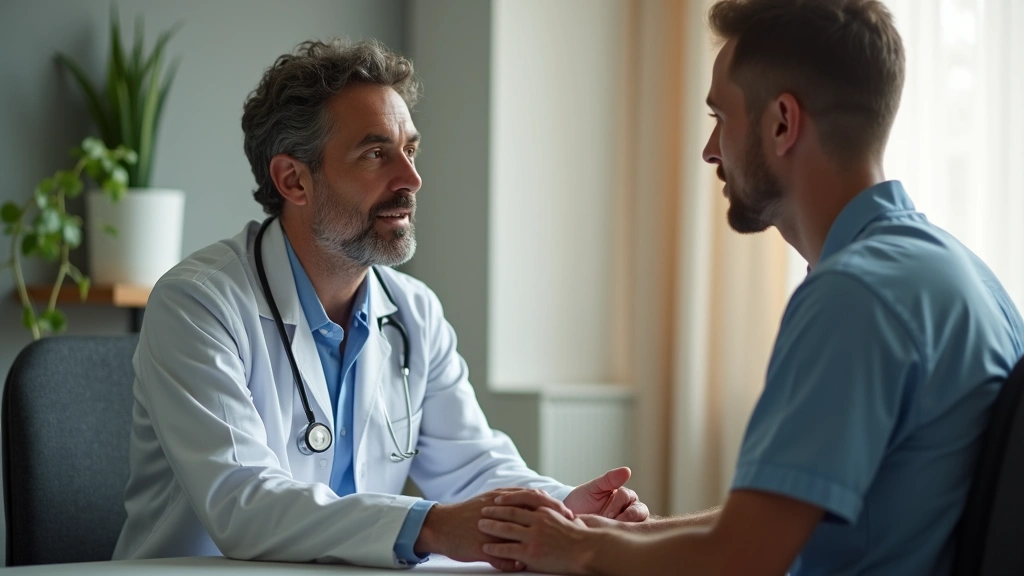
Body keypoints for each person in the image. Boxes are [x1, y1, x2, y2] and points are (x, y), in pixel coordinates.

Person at [475, 0, 1024, 574]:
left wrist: (575, 549)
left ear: (782, 122)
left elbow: (742, 557)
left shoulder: (854, 299)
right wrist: (608, 533)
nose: (710, 151)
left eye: (721, 118)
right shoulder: (958, 275)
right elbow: (769, 524)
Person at [112, 39, 648, 569]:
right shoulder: (198, 304)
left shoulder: (414, 312)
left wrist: (562, 508)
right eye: (375, 154)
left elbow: (472, 464)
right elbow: (243, 502)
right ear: (293, 179)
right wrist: (432, 526)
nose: (411, 180)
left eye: (410, 150)